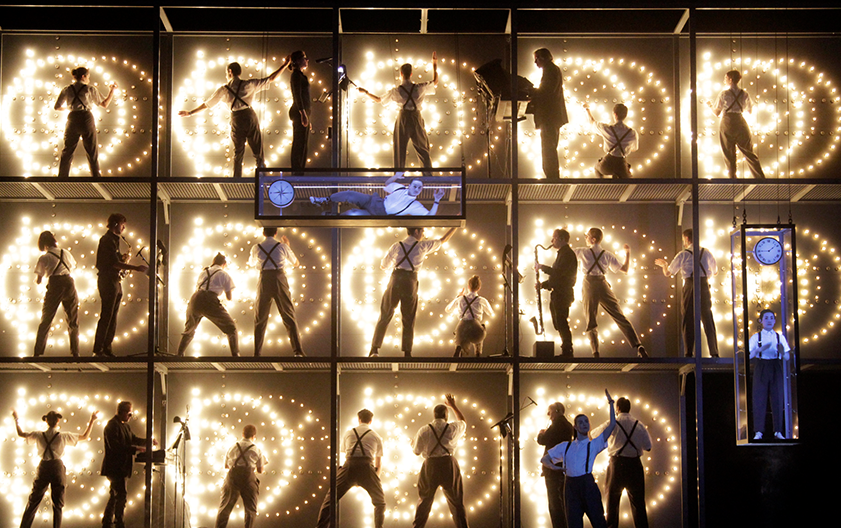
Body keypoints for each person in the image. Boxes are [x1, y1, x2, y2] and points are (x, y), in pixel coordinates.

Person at [179, 56, 290, 178]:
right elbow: (271, 78)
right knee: (258, 151)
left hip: (236, 118)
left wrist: (190, 113)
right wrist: (285, 65)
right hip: (250, 116)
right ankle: (262, 177)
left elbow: (207, 104)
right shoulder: (249, 84)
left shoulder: (224, 90)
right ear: (239, 72)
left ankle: (237, 179)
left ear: (230, 71)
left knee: (238, 153)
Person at [370, 227, 458, 357]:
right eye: (422, 231)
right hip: (410, 281)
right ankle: (407, 353)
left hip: (396, 279)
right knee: (408, 318)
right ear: (416, 231)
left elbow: (383, 265)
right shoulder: (422, 246)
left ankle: (374, 350)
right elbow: (443, 239)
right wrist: (455, 226)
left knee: (385, 314)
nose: (423, 234)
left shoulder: (397, 245)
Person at [542, 390, 616, 528]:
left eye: (586, 421)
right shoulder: (566, 446)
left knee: (599, 522)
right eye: (580, 422)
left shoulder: (593, 444)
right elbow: (544, 459)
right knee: (574, 524)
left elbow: (612, 424)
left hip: (587, 485)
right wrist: (554, 467)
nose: (584, 424)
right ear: (575, 427)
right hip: (570, 487)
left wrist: (611, 404)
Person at [13, 409, 98, 528]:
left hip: (43, 466)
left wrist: (16, 419)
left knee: (33, 501)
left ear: (46, 421)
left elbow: (21, 434)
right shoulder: (63, 436)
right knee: (58, 504)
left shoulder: (39, 435)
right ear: (58, 421)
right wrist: (92, 420)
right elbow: (84, 436)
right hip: (57, 467)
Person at [573, 228, 647, 359]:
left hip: (589, 284)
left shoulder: (583, 252)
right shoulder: (607, 254)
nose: (585, 238)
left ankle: (595, 353)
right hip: (603, 284)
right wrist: (628, 253)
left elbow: (566, 254)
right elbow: (625, 269)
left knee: (591, 319)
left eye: (587, 236)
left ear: (593, 239)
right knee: (619, 315)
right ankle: (638, 345)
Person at [358, 52, 438, 170]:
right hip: (416, 117)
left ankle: (399, 175)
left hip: (403, 118)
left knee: (399, 149)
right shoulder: (419, 88)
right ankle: (428, 176)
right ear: (411, 74)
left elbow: (379, 100)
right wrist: (434, 64)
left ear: (401, 74)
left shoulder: (396, 91)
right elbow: (435, 81)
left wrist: (366, 92)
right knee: (423, 149)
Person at [654, 229, 719, 358]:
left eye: (684, 239)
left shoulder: (683, 254)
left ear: (687, 239)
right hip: (704, 285)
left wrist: (665, 265)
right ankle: (714, 352)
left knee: (688, 318)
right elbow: (715, 271)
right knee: (707, 318)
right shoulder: (707, 252)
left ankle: (689, 353)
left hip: (690, 285)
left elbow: (668, 273)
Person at [315, 409, 386, 528]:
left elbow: (344, 454)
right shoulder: (376, 436)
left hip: (349, 466)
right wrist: (372, 480)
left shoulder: (349, 433)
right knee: (380, 503)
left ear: (359, 419)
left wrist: (349, 476)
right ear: (371, 421)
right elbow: (378, 464)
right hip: (367, 467)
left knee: (330, 500)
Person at [93, 214, 148, 357]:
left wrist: (122, 258)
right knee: (107, 315)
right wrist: (135, 268)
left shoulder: (113, 240)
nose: (123, 228)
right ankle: (99, 349)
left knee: (112, 316)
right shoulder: (107, 240)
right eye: (123, 225)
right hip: (108, 280)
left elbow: (114, 260)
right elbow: (113, 263)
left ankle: (107, 348)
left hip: (114, 280)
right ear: (116, 224)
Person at [411, 393, 469, 528]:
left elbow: (416, 451)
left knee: (424, 502)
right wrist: (453, 406)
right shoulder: (452, 428)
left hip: (430, 465)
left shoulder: (424, 430)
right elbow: (463, 422)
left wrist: (413, 444)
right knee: (456, 503)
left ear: (434, 415)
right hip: (448, 464)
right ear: (446, 415)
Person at [595, 397, 652, 528]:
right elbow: (648, 447)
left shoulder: (612, 423)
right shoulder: (639, 424)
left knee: (612, 503)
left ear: (618, 408)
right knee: (638, 504)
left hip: (617, 465)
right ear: (629, 408)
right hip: (635, 466)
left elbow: (594, 435)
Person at [249, 227, 304, 357]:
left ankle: (257, 353)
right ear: (276, 233)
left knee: (260, 317)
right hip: (279, 278)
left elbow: (251, 263)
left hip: (264, 279)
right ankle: (298, 352)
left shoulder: (256, 247)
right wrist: (287, 246)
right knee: (288, 314)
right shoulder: (282, 246)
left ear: (263, 233)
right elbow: (296, 263)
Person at [54, 66, 117, 178]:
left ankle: (62, 177)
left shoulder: (67, 89)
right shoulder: (90, 89)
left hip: (72, 118)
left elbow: (57, 107)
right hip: (86, 117)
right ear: (83, 76)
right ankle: (96, 177)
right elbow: (104, 104)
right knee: (92, 150)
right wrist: (112, 91)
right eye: (88, 76)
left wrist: (69, 108)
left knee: (67, 150)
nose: (89, 79)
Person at [101, 401, 154, 528]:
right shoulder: (112, 426)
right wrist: (136, 449)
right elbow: (115, 446)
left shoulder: (125, 426)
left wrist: (148, 441)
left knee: (115, 495)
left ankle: (107, 521)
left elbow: (133, 439)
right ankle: (118, 522)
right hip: (115, 467)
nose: (130, 416)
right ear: (121, 412)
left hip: (121, 467)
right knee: (121, 495)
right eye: (129, 414)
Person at [176, 252, 240, 357]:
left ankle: (179, 354)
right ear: (224, 264)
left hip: (195, 298)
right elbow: (229, 298)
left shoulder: (203, 272)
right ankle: (235, 355)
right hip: (210, 300)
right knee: (231, 328)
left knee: (189, 330)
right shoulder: (224, 274)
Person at [708, 69, 765, 179]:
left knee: (729, 153)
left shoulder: (724, 94)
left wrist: (710, 105)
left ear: (730, 79)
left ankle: (733, 180)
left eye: (725, 78)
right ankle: (760, 178)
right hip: (740, 121)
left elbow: (717, 112)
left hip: (727, 122)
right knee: (749, 152)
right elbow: (749, 111)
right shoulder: (744, 94)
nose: (724, 80)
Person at [310, 172, 447, 216]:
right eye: (415, 186)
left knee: (353, 213)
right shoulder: (400, 188)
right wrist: (396, 176)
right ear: (409, 185)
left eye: (419, 187)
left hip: (379, 213)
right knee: (350, 194)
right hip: (374, 201)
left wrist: (436, 200)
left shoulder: (414, 204)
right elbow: (387, 184)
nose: (417, 189)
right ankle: (323, 200)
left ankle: (333, 216)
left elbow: (430, 216)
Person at [33, 231, 79, 357]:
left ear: (43, 244)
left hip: (55, 284)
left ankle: (37, 353)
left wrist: (38, 280)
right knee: (73, 320)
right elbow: (73, 267)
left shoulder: (44, 257)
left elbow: (39, 280)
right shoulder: (66, 252)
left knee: (46, 319)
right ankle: (75, 353)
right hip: (69, 283)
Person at [749, 309, 792, 441]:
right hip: (761, 366)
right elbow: (749, 356)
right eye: (766, 318)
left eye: (771, 318)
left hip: (775, 366)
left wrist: (782, 351)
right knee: (759, 399)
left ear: (774, 321)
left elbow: (787, 357)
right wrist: (759, 349)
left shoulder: (780, 337)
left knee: (778, 398)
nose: (769, 320)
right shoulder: (756, 337)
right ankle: (758, 431)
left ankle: (778, 431)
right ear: (761, 321)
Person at [535, 229, 577, 357]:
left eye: (554, 237)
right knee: (559, 322)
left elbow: (558, 274)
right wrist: (543, 285)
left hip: (562, 293)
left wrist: (542, 267)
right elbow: (557, 277)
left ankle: (567, 350)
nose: (552, 241)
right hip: (559, 293)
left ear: (561, 239)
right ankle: (566, 349)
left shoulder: (567, 254)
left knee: (561, 322)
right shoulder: (563, 254)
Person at [215, 424, 267, 528]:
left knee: (225, 508)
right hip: (249, 478)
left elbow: (226, 466)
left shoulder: (232, 447)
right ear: (254, 436)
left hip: (233, 477)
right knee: (250, 510)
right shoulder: (257, 449)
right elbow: (260, 470)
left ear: (242, 434)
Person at [528, 48, 568, 179]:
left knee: (548, 149)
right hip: (553, 116)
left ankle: (552, 178)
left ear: (544, 58)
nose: (535, 62)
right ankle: (552, 176)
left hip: (549, 116)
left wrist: (530, 91)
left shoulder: (550, 70)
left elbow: (545, 91)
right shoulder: (553, 69)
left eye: (537, 59)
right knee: (550, 147)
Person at [536, 402, 574, 528]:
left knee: (554, 503)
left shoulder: (556, 425)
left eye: (550, 411)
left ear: (557, 411)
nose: (548, 415)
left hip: (552, 468)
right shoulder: (568, 425)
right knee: (563, 501)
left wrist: (541, 433)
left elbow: (542, 440)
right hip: (564, 467)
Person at [583, 103, 639, 179]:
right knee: (628, 181)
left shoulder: (607, 128)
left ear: (615, 114)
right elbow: (634, 149)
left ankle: (602, 185)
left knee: (597, 168)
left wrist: (587, 109)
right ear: (625, 115)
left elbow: (592, 122)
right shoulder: (632, 132)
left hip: (607, 163)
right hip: (621, 165)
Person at [445, 275, 495, 357]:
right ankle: (478, 352)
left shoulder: (460, 299)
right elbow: (490, 313)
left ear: (468, 286)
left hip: (462, 327)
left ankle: (459, 348)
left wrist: (458, 297)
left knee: (461, 336)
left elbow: (448, 309)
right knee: (481, 328)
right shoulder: (481, 300)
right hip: (475, 328)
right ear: (479, 288)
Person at [289, 50, 311, 174]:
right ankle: (297, 171)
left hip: (303, 112)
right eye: (304, 58)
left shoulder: (300, 76)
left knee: (303, 143)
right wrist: (303, 114)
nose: (307, 60)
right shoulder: (296, 76)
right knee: (299, 143)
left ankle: (299, 171)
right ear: (297, 61)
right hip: (299, 112)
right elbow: (297, 95)